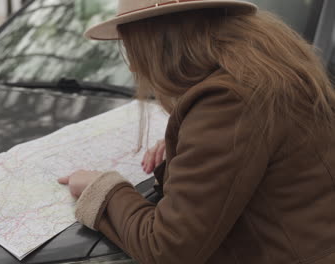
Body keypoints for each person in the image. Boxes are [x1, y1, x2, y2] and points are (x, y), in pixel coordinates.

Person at [57, 0, 335, 263]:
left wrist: (102, 189)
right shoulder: (263, 67)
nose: (133, 64)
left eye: (133, 46)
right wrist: (191, 145)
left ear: (159, 39)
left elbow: (166, 248)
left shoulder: (230, 98)